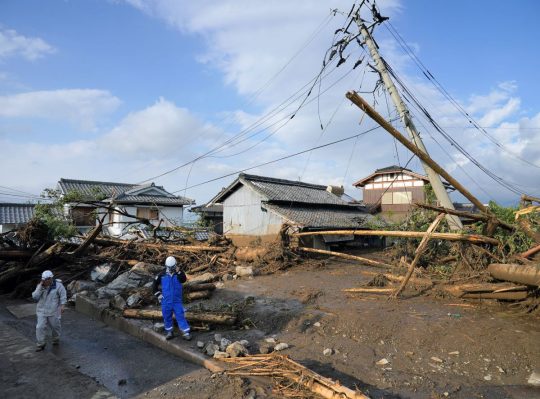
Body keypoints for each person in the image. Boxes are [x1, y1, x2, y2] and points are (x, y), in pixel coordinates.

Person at [152, 256, 191, 341]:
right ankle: (169, 332)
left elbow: (183, 280)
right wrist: (158, 295)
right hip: (166, 300)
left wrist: (179, 271)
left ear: (175, 265)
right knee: (166, 316)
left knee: (180, 315)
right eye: (169, 267)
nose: (171, 269)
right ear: (166, 266)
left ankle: (186, 332)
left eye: (172, 267)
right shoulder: (161, 274)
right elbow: (154, 285)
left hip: (177, 300)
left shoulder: (179, 273)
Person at [32, 270, 67, 351]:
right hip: (41, 310)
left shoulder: (58, 285)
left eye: (46, 280)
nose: (45, 281)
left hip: (54, 310)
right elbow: (34, 297)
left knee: (55, 326)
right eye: (43, 280)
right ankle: (41, 344)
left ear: (51, 278)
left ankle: (55, 339)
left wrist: (63, 305)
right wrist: (40, 287)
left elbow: (63, 295)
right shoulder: (40, 286)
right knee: (40, 327)